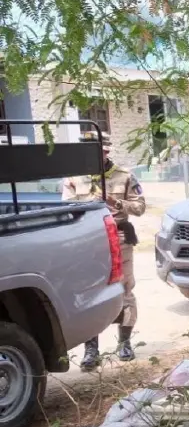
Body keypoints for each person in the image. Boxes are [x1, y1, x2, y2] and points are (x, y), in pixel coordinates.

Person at [64, 138, 145, 368]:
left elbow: (139, 207)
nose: (97, 155)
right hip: (88, 239)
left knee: (125, 288)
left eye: (101, 151)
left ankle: (125, 343)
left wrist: (116, 203)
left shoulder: (125, 175)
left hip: (119, 238)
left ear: (107, 151)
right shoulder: (73, 178)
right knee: (90, 291)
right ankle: (91, 350)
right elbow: (66, 207)